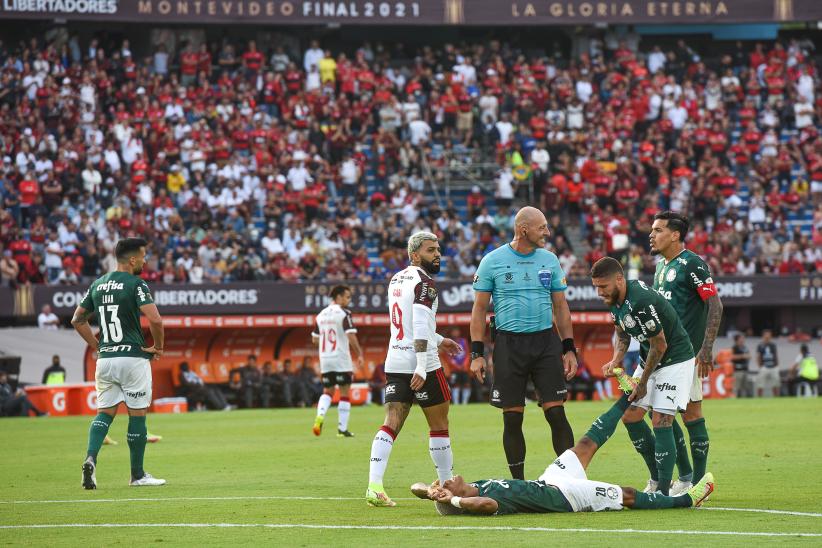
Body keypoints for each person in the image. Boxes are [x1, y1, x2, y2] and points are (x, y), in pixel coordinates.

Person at [411, 383, 714, 516]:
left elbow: (416, 485)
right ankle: (686, 500)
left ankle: (630, 395)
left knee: (584, 444)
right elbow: (485, 507)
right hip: (566, 497)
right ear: (459, 497)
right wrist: (454, 501)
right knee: (627, 495)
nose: (446, 480)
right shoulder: (480, 501)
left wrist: (429, 492)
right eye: (448, 485)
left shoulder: (469, 489)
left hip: (549, 480)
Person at [470, 206, 578, 481]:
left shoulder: (550, 260)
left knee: (556, 413)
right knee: (512, 417)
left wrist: (569, 348)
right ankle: (518, 483)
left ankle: (571, 481)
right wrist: (477, 353)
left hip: (545, 343)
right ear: (523, 229)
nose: (547, 232)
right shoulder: (492, 261)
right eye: (542, 227)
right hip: (509, 345)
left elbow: (561, 306)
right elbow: (479, 310)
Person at [366, 231, 461, 507]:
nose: (438, 255)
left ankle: (374, 486)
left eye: (439, 249)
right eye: (431, 250)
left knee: (391, 421)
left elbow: (408, 323)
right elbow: (419, 326)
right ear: (415, 254)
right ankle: (446, 486)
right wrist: (421, 366)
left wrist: (441, 340)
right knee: (439, 425)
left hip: (395, 358)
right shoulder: (426, 283)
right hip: (423, 363)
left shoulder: (396, 279)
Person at [591, 257, 696, 496]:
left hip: (675, 358)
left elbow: (660, 344)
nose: (599, 292)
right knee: (631, 416)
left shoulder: (640, 300)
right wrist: (617, 359)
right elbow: (622, 333)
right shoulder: (614, 299)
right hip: (651, 358)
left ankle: (664, 494)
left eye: (603, 286)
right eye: (596, 287)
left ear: (619, 279)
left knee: (661, 419)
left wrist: (642, 384)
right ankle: (658, 479)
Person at [71, 237, 166, 489]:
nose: (145, 261)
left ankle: (91, 458)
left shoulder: (98, 284)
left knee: (105, 413)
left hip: (106, 360)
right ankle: (137, 475)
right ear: (132, 259)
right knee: (137, 415)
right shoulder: (136, 284)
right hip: (133, 358)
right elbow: (155, 320)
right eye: (143, 256)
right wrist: (158, 347)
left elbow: (77, 320)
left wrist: (97, 346)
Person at [648, 211, 723, 494]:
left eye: (658, 230)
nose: (651, 235)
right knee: (658, 413)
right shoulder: (660, 266)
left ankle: (698, 482)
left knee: (690, 414)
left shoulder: (693, 264)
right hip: (661, 354)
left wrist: (705, 350)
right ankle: (687, 476)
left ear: (675, 234)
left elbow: (715, 305)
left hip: (686, 354)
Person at [311, 285, 364, 438]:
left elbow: (314, 339)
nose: (349, 300)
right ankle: (342, 429)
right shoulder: (344, 313)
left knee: (328, 391)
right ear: (339, 297)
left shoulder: (320, 315)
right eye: (347, 297)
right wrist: (359, 354)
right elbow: (351, 335)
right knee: (344, 392)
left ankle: (319, 416)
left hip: (325, 359)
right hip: (341, 358)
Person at [444, 327, 470, 405]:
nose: (455, 333)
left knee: (467, 384)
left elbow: (467, 354)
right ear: (451, 333)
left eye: (457, 331)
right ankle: (456, 403)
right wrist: (456, 365)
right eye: (454, 332)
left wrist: (464, 364)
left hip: (464, 368)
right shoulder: (449, 342)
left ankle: (465, 403)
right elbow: (448, 356)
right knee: (455, 384)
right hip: (454, 369)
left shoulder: (463, 341)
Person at [755, 330, 780, 397]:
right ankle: (760, 397)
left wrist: (777, 365)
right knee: (761, 383)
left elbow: (775, 355)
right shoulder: (760, 345)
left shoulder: (773, 345)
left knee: (775, 383)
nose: (768, 336)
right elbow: (758, 356)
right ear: (763, 336)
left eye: (769, 335)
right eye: (766, 335)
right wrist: (760, 366)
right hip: (764, 366)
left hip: (773, 366)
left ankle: (776, 397)